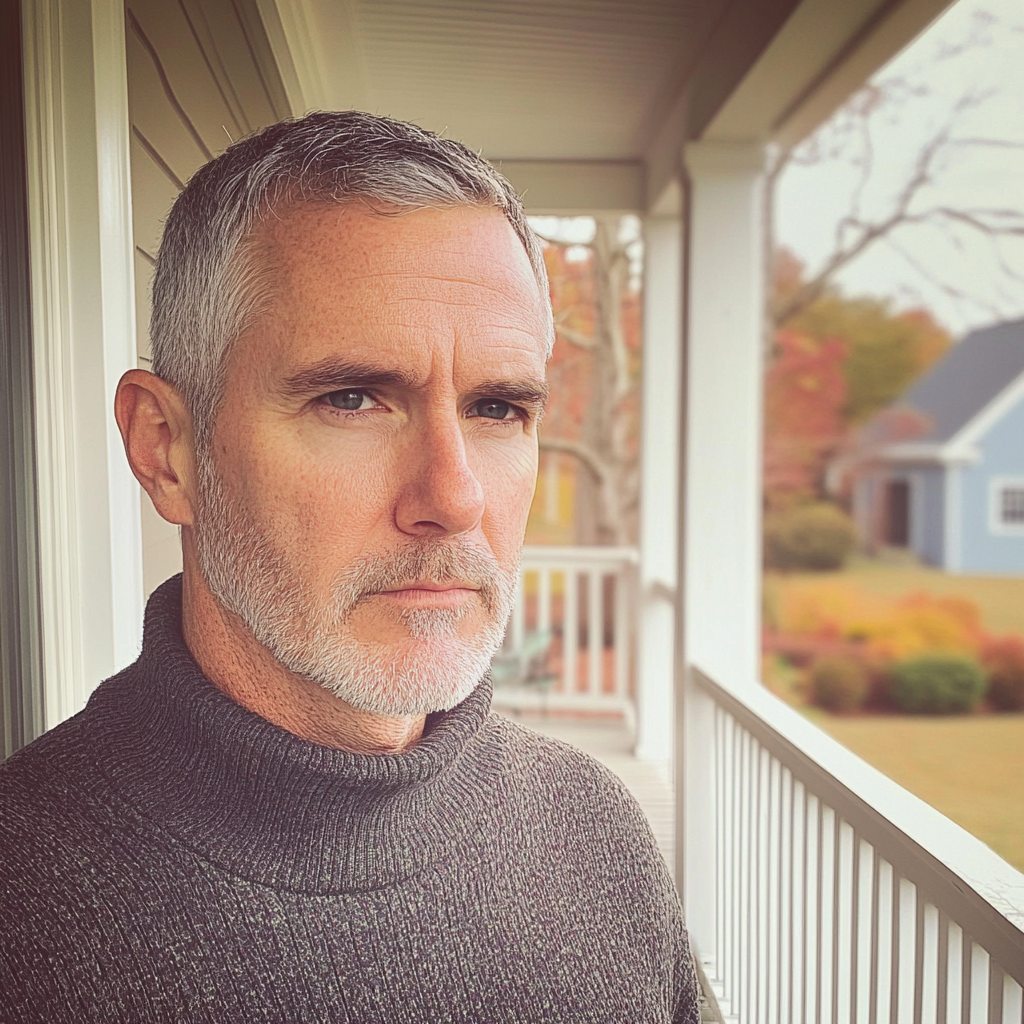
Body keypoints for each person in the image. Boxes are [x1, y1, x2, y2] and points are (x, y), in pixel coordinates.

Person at [0, 111, 699, 1023]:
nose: (454, 498)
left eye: (497, 406)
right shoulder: (24, 903)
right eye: (352, 398)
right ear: (168, 451)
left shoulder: (595, 832)